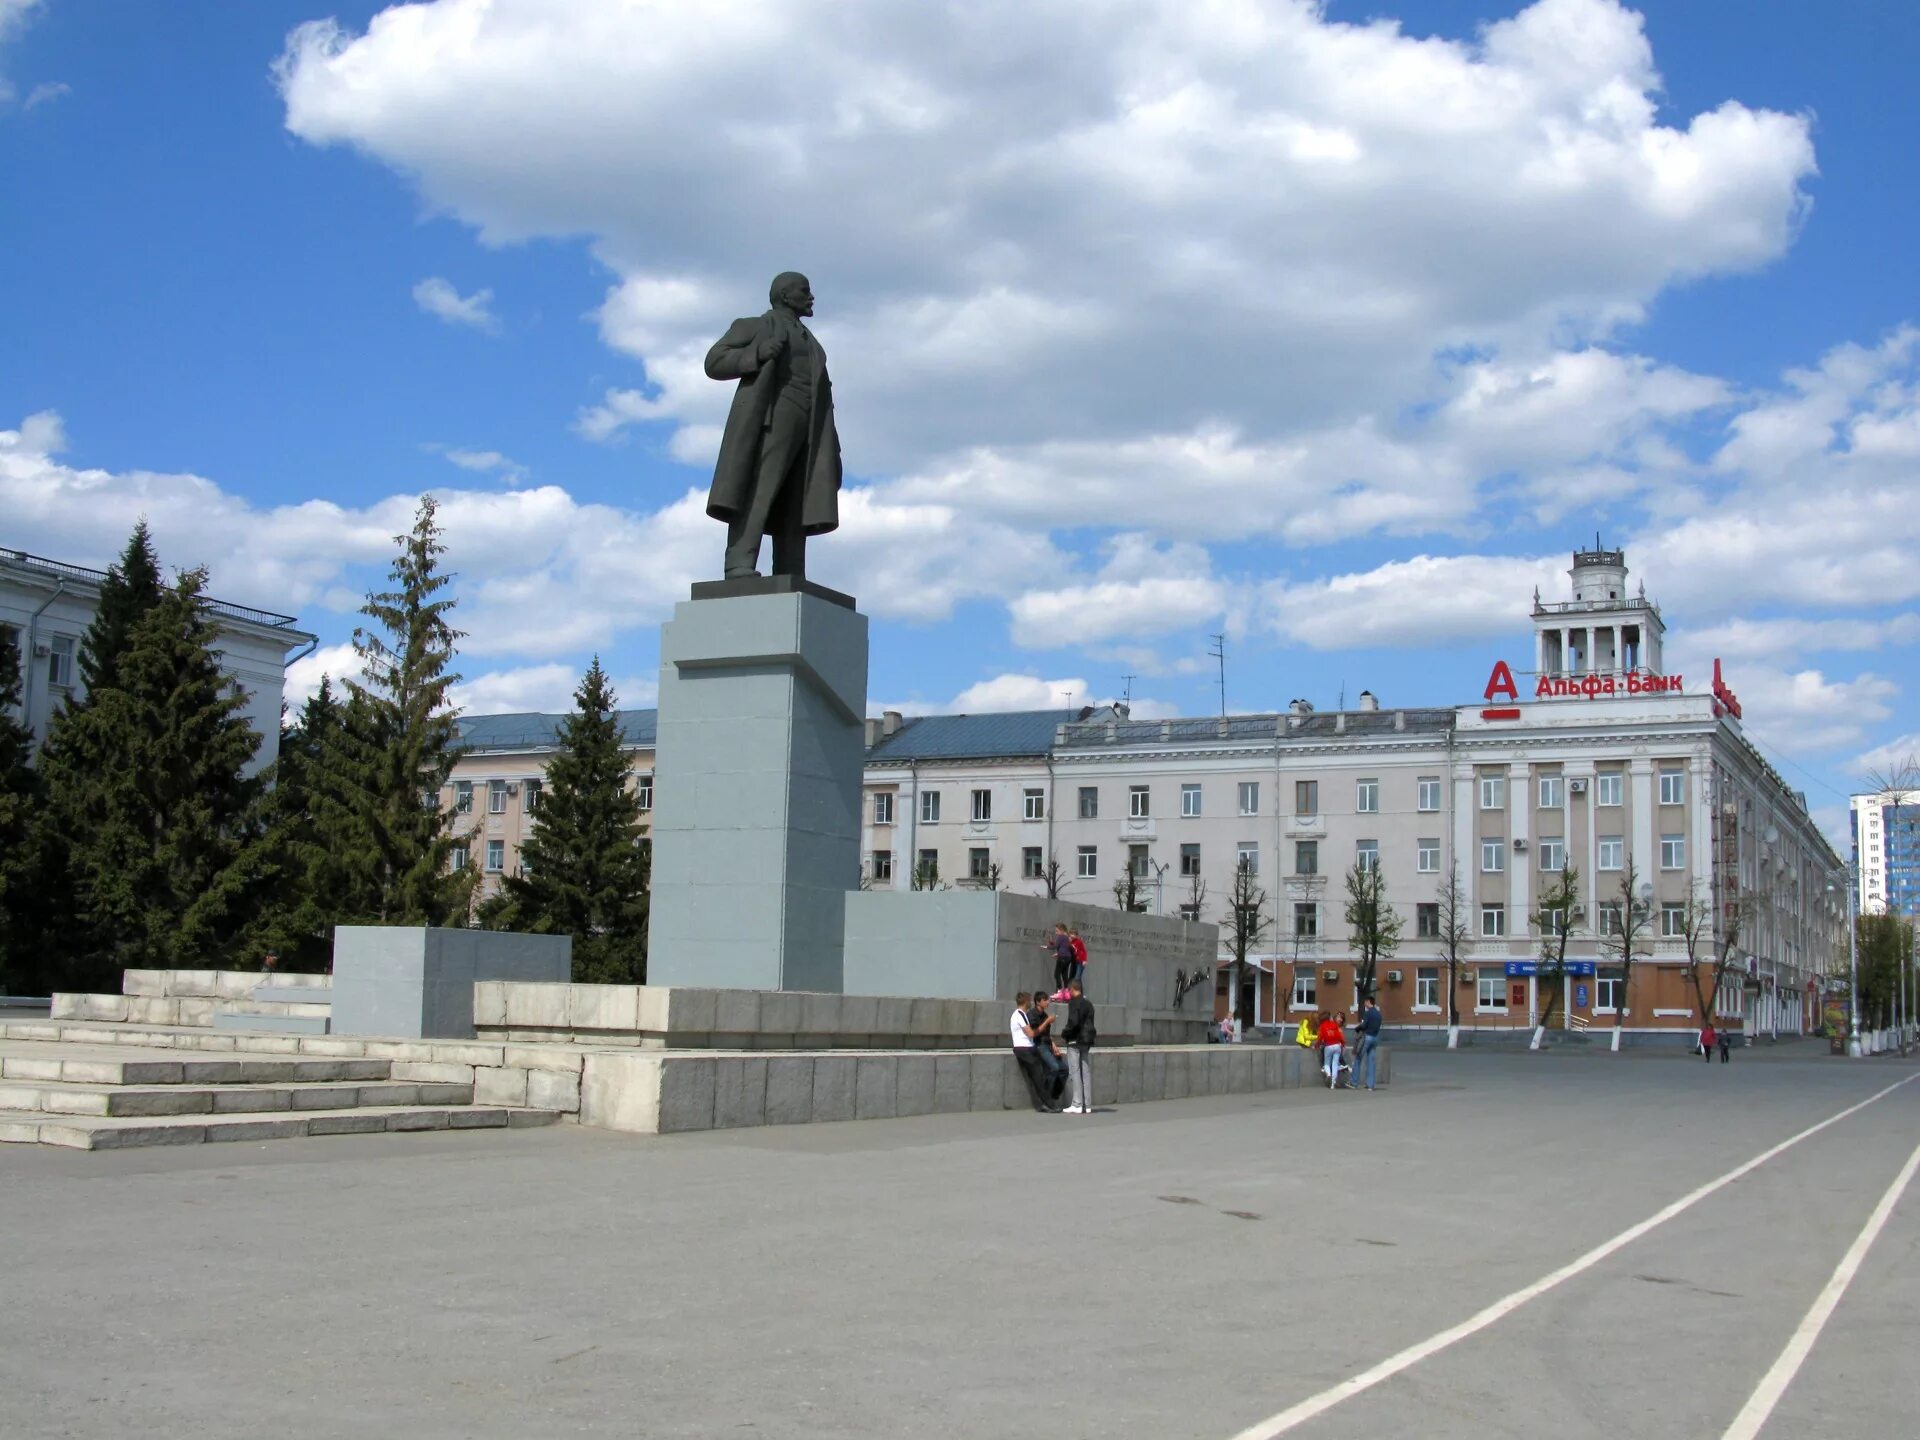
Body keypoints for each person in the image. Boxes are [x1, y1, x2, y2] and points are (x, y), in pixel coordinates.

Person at [703, 272, 843, 580]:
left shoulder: (812, 342)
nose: (811, 297)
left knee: (798, 495)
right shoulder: (754, 326)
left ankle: (790, 569)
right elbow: (714, 361)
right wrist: (756, 354)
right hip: (773, 416)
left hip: (810, 424)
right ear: (784, 295)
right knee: (760, 487)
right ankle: (739, 562)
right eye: (804, 291)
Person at [1008, 993, 1059, 1112]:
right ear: (1025, 1001)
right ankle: (1049, 1104)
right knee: (1038, 1077)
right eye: (1029, 1000)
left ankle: (1042, 1103)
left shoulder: (1022, 1015)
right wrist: (1047, 1022)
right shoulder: (1018, 1015)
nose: (1031, 1002)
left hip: (1028, 1048)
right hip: (1024, 1049)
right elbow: (1031, 1034)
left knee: (1040, 1074)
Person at [1059, 979, 1097, 1114]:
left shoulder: (1074, 1003)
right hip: (1086, 1041)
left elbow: (1073, 1022)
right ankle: (1087, 1104)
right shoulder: (1089, 1004)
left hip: (1074, 1040)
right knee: (1085, 1072)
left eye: (1069, 990)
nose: (1068, 993)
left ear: (1073, 989)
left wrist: (1065, 1033)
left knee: (1074, 1072)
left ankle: (1077, 1103)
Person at [1029, 991, 1067, 1103]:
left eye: (1047, 1000)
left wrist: (1054, 1046)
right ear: (1037, 1002)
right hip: (1039, 1045)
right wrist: (1047, 1021)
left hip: (1047, 1044)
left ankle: (1054, 1095)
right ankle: (1045, 1096)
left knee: (1064, 1069)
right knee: (1054, 1067)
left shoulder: (1045, 1016)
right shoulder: (1032, 1014)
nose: (1047, 1002)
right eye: (1045, 1000)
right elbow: (1035, 1033)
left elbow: (1047, 1035)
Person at [1354, 997, 1383, 1091]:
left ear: (1368, 1002)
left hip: (1367, 1037)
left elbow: (1364, 1025)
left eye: (1365, 1002)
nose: (1364, 1004)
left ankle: (1354, 1082)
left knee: (1358, 1058)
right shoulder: (1378, 1014)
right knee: (1371, 1061)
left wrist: (1357, 1028)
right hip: (1375, 1037)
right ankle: (1370, 1085)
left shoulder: (1368, 1013)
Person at [1044, 923, 1076, 993]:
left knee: (1056, 974)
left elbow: (1056, 946)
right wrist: (1053, 944)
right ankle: (1066, 991)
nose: (1056, 933)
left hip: (1062, 958)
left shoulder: (1061, 937)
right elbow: (1062, 947)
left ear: (1061, 930)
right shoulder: (1067, 937)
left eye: (1057, 931)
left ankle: (1059, 991)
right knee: (1064, 975)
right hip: (1068, 958)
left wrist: (1046, 947)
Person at [1318, 1011, 1345, 1089]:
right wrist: (1342, 1044)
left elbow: (1320, 1038)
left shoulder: (1322, 1026)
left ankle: (1328, 1074)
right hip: (1337, 1046)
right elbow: (1339, 1036)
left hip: (1328, 1046)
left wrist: (1316, 1046)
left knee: (1327, 1063)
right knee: (1335, 1064)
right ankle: (1333, 1083)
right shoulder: (1334, 1025)